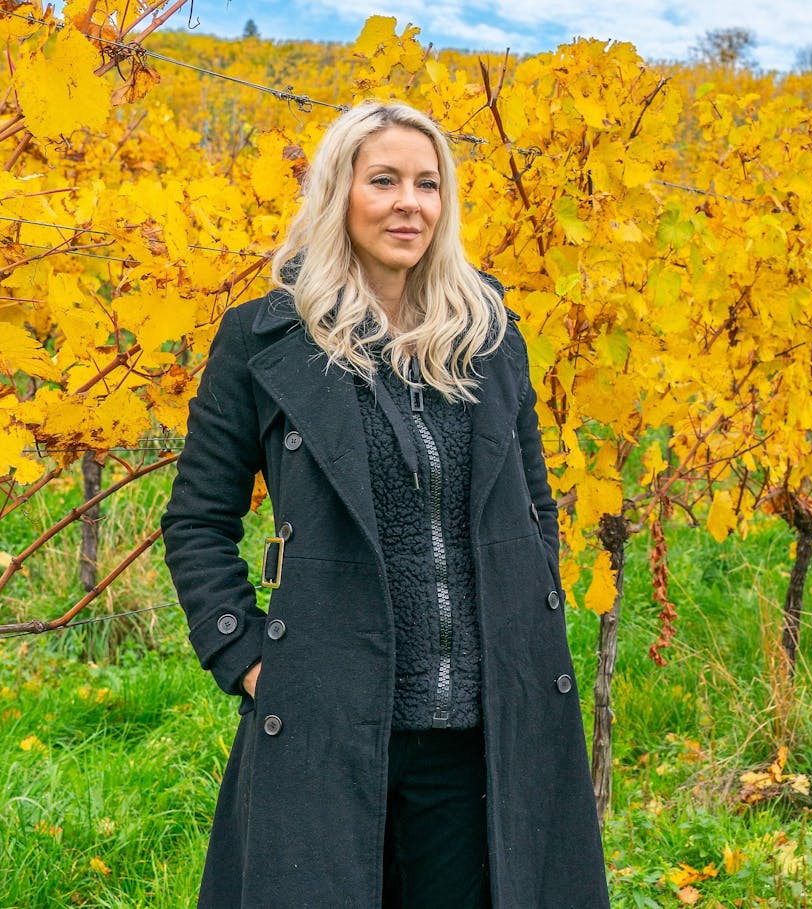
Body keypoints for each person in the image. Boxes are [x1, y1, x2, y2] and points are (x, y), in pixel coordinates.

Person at [161, 101, 610, 908]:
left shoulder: (487, 335)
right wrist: (249, 658)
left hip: (479, 730)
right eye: (385, 180)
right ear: (340, 193)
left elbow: (536, 504)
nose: (410, 202)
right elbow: (197, 518)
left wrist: (520, 624)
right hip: (328, 710)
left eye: (428, 184)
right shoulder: (266, 339)